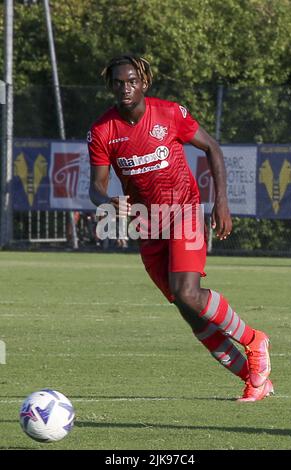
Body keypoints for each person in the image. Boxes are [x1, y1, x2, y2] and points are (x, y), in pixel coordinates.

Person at [87, 54, 273, 402]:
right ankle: (255, 378)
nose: (125, 87)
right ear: (110, 85)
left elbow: (212, 148)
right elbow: (94, 186)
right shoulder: (102, 130)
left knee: (187, 291)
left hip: (183, 211)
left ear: (144, 83)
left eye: (131, 81)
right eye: (118, 82)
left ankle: (255, 341)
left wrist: (221, 203)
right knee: (188, 309)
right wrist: (109, 200)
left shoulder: (170, 113)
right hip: (147, 223)